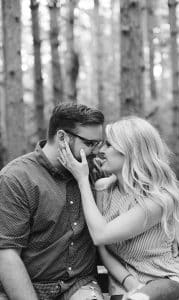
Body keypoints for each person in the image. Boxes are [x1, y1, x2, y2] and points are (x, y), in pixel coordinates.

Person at [58, 116, 179, 300]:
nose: (101, 151)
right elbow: (101, 246)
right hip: (126, 286)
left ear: (131, 152)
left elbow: (101, 234)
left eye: (109, 145)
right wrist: (130, 283)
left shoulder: (157, 199)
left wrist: (83, 180)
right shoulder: (104, 190)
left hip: (168, 281)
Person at [0, 103, 106, 300]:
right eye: (90, 143)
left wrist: (174, 225)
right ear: (62, 137)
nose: (96, 151)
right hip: (28, 285)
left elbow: (146, 183)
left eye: (98, 144)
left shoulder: (94, 170)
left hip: (79, 285)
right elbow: (7, 255)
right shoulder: (17, 178)